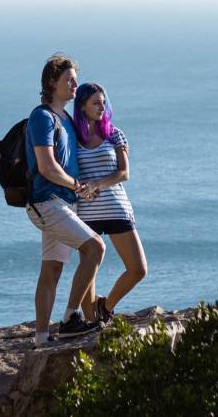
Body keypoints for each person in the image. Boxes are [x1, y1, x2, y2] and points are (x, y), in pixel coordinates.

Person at [25, 54, 106, 347]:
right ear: (51, 82)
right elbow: (46, 166)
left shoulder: (67, 120)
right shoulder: (42, 117)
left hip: (63, 202)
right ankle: (71, 318)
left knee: (52, 268)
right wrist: (77, 185)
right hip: (48, 202)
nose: (75, 84)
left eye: (75, 79)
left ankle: (41, 337)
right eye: (68, 79)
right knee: (95, 247)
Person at [73, 82, 147, 324]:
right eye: (95, 102)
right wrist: (79, 187)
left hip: (117, 208)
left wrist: (97, 184)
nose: (101, 107)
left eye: (103, 102)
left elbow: (124, 173)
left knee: (138, 269)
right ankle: (91, 320)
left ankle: (106, 306)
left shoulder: (114, 133)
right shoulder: (71, 137)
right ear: (82, 106)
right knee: (88, 273)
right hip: (86, 212)